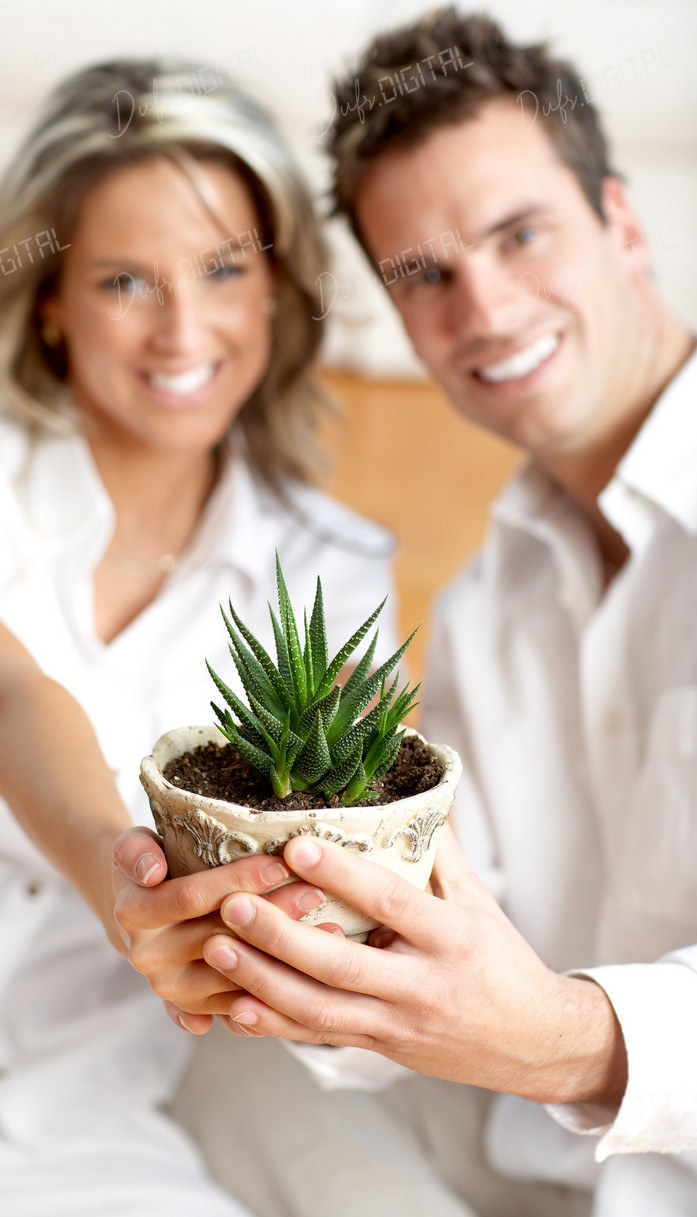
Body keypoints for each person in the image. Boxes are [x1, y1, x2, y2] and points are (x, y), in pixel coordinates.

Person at [113, 10, 697, 1217]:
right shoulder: (488, 597)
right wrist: (272, 952)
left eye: (519, 233)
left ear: (621, 221)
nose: (480, 309)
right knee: (225, 1084)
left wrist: (572, 1039)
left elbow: (536, 1028)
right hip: (550, 1158)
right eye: (423, 273)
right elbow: (435, 942)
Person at [0, 55, 433, 1217]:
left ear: (274, 292)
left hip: (76, 1127)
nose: (184, 327)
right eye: (127, 279)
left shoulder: (330, 566)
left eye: (224, 270)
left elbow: (352, 868)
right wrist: (122, 882)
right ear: (49, 296)